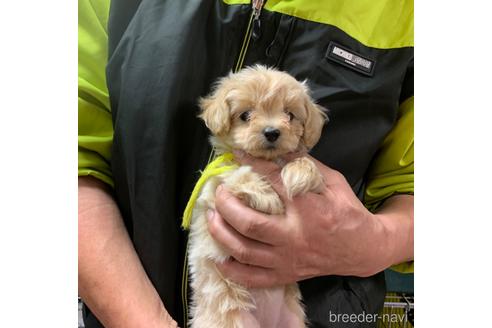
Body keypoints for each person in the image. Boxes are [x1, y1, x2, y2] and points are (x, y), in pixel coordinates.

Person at [78, 0, 414, 327]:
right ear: (222, 117)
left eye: (289, 115)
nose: (271, 128)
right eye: (246, 115)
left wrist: (374, 241)